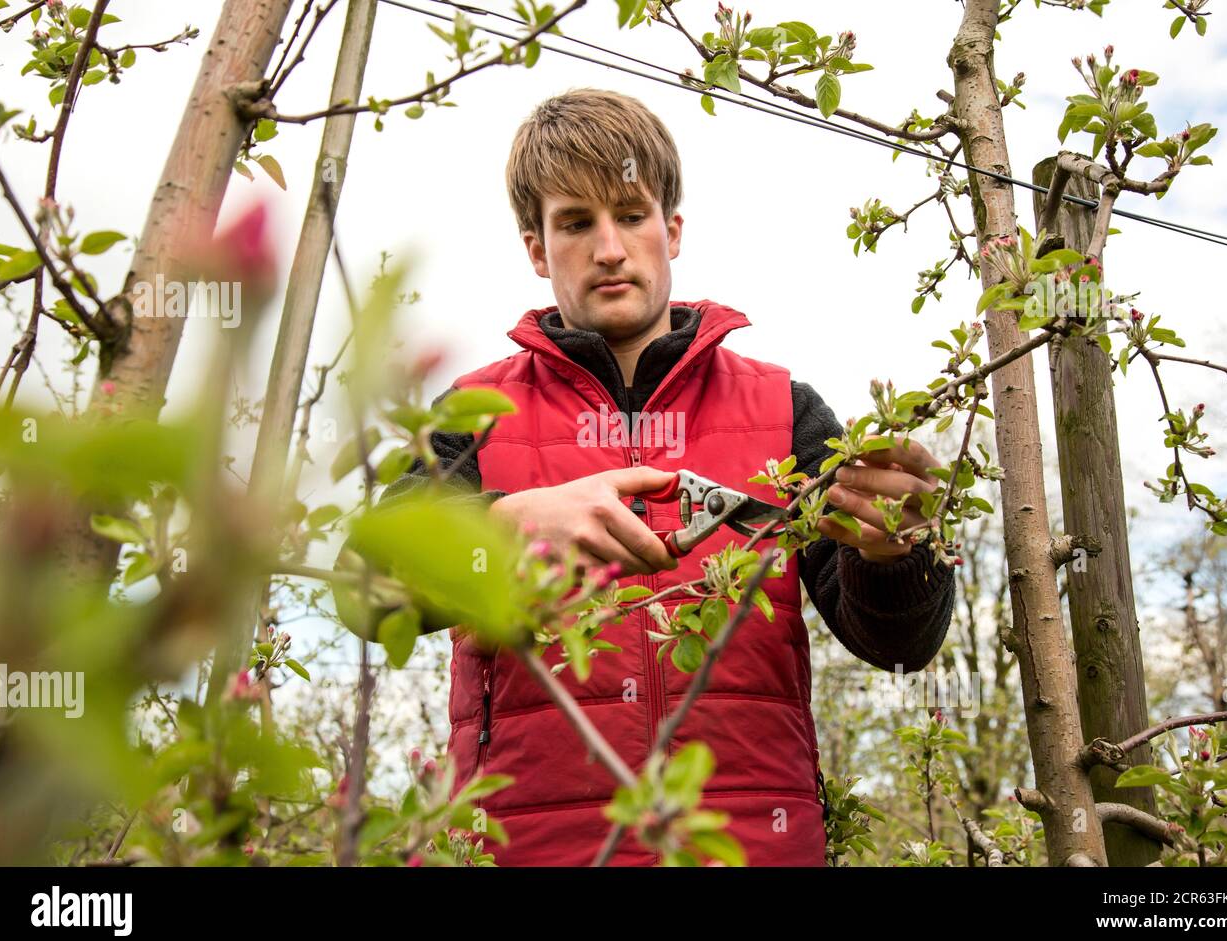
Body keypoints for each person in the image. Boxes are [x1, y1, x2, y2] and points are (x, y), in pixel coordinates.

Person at [345, 88, 956, 866]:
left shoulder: (786, 411)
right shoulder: (476, 414)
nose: (608, 248)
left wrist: (897, 551)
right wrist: (508, 526)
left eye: (630, 215)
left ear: (670, 230)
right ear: (537, 249)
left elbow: (899, 644)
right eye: (575, 223)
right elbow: (363, 593)